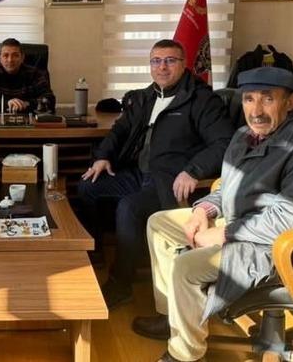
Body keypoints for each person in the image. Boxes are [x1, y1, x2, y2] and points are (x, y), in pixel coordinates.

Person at [132, 66, 293, 362]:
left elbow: (287, 218)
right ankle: (173, 318)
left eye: (268, 99)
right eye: (249, 99)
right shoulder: (244, 135)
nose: (256, 111)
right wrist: (202, 211)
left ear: (290, 102)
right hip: (234, 222)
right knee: (159, 223)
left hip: (271, 246)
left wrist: (223, 234)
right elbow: (226, 186)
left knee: (186, 267)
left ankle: (186, 354)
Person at [76, 39, 234, 308]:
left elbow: (224, 142)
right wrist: (103, 156)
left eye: (170, 60)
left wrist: (192, 171)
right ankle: (96, 252)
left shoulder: (202, 100)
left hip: (168, 181)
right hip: (137, 173)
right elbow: (120, 130)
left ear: (184, 64)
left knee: (129, 208)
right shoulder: (145, 97)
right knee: (88, 186)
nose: (162, 67)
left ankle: (121, 283)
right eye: (156, 61)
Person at [0, 38, 55, 114]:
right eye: (5, 55)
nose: (10, 60)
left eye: (15, 55)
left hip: (29, 121)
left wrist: (26, 104)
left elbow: (50, 100)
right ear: (0, 58)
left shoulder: (35, 73)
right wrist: (7, 103)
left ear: (22, 57)